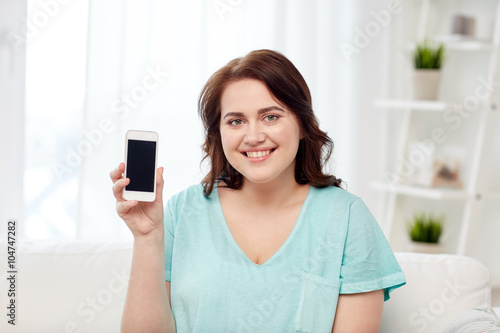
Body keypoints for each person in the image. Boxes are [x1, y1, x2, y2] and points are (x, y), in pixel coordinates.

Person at [110, 49, 406, 333]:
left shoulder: (348, 219)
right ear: (219, 133)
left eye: (271, 117)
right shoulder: (182, 211)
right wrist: (147, 238)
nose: (253, 137)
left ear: (303, 125)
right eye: (236, 121)